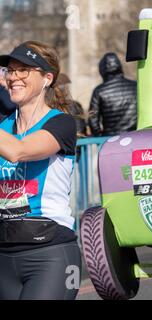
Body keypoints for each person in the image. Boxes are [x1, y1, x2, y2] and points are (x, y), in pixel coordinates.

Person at [0, 41, 81, 299]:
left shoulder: (61, 123)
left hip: (50, 253)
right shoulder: (4, 127)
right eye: (10, 70)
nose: (13, 77)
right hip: (4, 253)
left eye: (23, 69)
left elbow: (19, 151)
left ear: (47, 78)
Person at [88, 52, 137, 136]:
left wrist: (99, 136)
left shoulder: (99, 91)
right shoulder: (135, 86)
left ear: (102, 70)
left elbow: (93, 119)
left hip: (111, 140)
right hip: (135, 137)